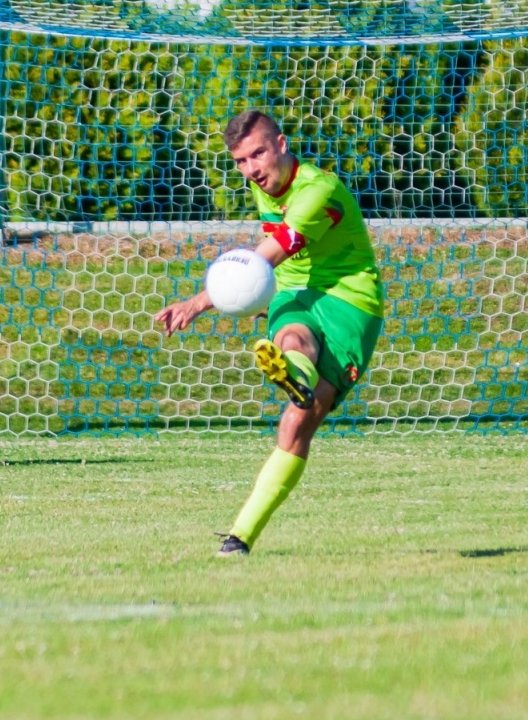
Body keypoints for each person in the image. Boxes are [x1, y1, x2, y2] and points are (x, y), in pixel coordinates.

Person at [155, 110, 385, 556]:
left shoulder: (318, 190)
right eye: (240, 161)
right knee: (292, 342)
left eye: (257, 154)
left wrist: (197, 303)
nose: (251, 170)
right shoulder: (264, 185)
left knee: (300, 422)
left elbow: (263, 259)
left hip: (351, 301)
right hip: (294, 293)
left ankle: (296, 377)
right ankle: (239, 539)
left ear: (282, 144)